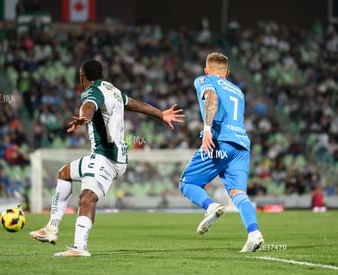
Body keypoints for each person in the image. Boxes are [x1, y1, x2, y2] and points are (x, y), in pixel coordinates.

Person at [30, 59, 184, 257]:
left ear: (82, 78)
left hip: (107, 157)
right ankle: (51, 228)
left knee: (87, 197)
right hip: (112, 156)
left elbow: (89, 106)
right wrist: (160, 114)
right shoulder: (113, 90)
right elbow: (136, 105)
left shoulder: (91, 90)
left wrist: (84, 118)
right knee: (64, 173)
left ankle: (79, 247)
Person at [179, 52, 264, 252]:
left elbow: (212, 96)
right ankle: (254, 233)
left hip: (220, 142)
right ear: (227, 72)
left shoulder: (203, 80)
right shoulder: (238, 91)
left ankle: (210, 206)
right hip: (241, 145)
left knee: (187, 183)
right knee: (239, 194)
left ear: (206, 70)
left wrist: (207, 129)